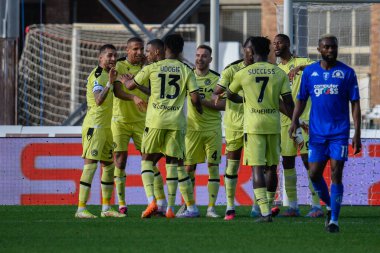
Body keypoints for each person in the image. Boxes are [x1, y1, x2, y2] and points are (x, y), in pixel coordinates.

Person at [124, 34, 203, 218]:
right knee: (175, 163)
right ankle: (176, 208)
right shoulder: (186, 70)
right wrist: (199, 109)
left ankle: (152, 200)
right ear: (181, 49)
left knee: (146, 160)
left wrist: (123, 79)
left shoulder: (153, 67)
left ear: (164, 47)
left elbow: (129, 86)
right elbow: (194, 98)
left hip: (155, 121)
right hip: (176, 122)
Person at [289, 34, 361, 232]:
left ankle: (334, 221)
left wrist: (357, 133)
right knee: (313, 174)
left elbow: (355, 103)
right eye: (327, 47)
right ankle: (329, 205)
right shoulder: (310, 73)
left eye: (334, 47)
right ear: (319, 49)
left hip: (339, 133)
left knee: (336, 173)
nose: (331, 50)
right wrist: (294, 121)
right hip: (317, 134)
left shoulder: (347, 73)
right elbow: (301, 99)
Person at [227, 36, 299, 223]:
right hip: (273, 125)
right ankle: (267, 205)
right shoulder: (279, 73)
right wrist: (295, 123)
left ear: (252, 52)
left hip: (253, 125)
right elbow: (288, 103)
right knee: (272, 168)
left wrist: (246, 99)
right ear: (267, 52)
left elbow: (229, 94)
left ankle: (264, 212)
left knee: (257, 168)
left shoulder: (243, 73)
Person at [113, 37, 167, 215]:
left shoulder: (149, 68)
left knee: (150, 160)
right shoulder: (120, 66)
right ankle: (122, 203)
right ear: (127, 50)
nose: (138, 52)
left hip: (143, 121)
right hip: (120, 120)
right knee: (120, 161)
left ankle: (159, 203)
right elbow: (118, 91)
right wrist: (133, 97)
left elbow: (154, 91)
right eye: (135, 49)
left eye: (141, 49)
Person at [273, 33, 323, 217]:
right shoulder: (276, 70)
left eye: (279, 42)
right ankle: (293, 206)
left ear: (287, 44)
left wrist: (300, 68)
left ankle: (316, 205)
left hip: (306, 121)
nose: (276, 46)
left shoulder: (304, 61)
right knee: (287, 163)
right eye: (274, 43)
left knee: (309, 163)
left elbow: (321, 67)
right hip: (285, 123)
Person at [75, 44, 126, 218]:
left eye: (115, 56)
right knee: (90, 166)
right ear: (101, 58)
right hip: (94, 127)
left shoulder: (109, 74)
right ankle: (81, 209)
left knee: (109, 166)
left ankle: (106, 208)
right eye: (109, 56)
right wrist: (110, 83)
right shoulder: (98, 75)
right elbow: (98, 100)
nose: (113, 59)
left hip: (106, 127)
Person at [179, 45, 224, 218]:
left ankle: (211, 208)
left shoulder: (218, 79)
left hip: (212, 129)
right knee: (189, 168)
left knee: (213, 167)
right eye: (197, 55)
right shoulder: (187, 76)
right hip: (192, 129)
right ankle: (187, 205)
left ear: (210, 59)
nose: (200, 58)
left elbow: (225, 104)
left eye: (204, 56)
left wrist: (201, 101)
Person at [212, 37, 254, 220]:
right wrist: (222, 95)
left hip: (255, 123)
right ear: (243, 49)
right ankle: (230, 206)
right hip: (234, 124)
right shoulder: (231, 69)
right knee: (232, 164)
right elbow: (216, 92)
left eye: (254, 50)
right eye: (248, 49)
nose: (251, 53)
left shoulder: (263, 70)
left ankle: (259, 207)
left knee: (259, 166)